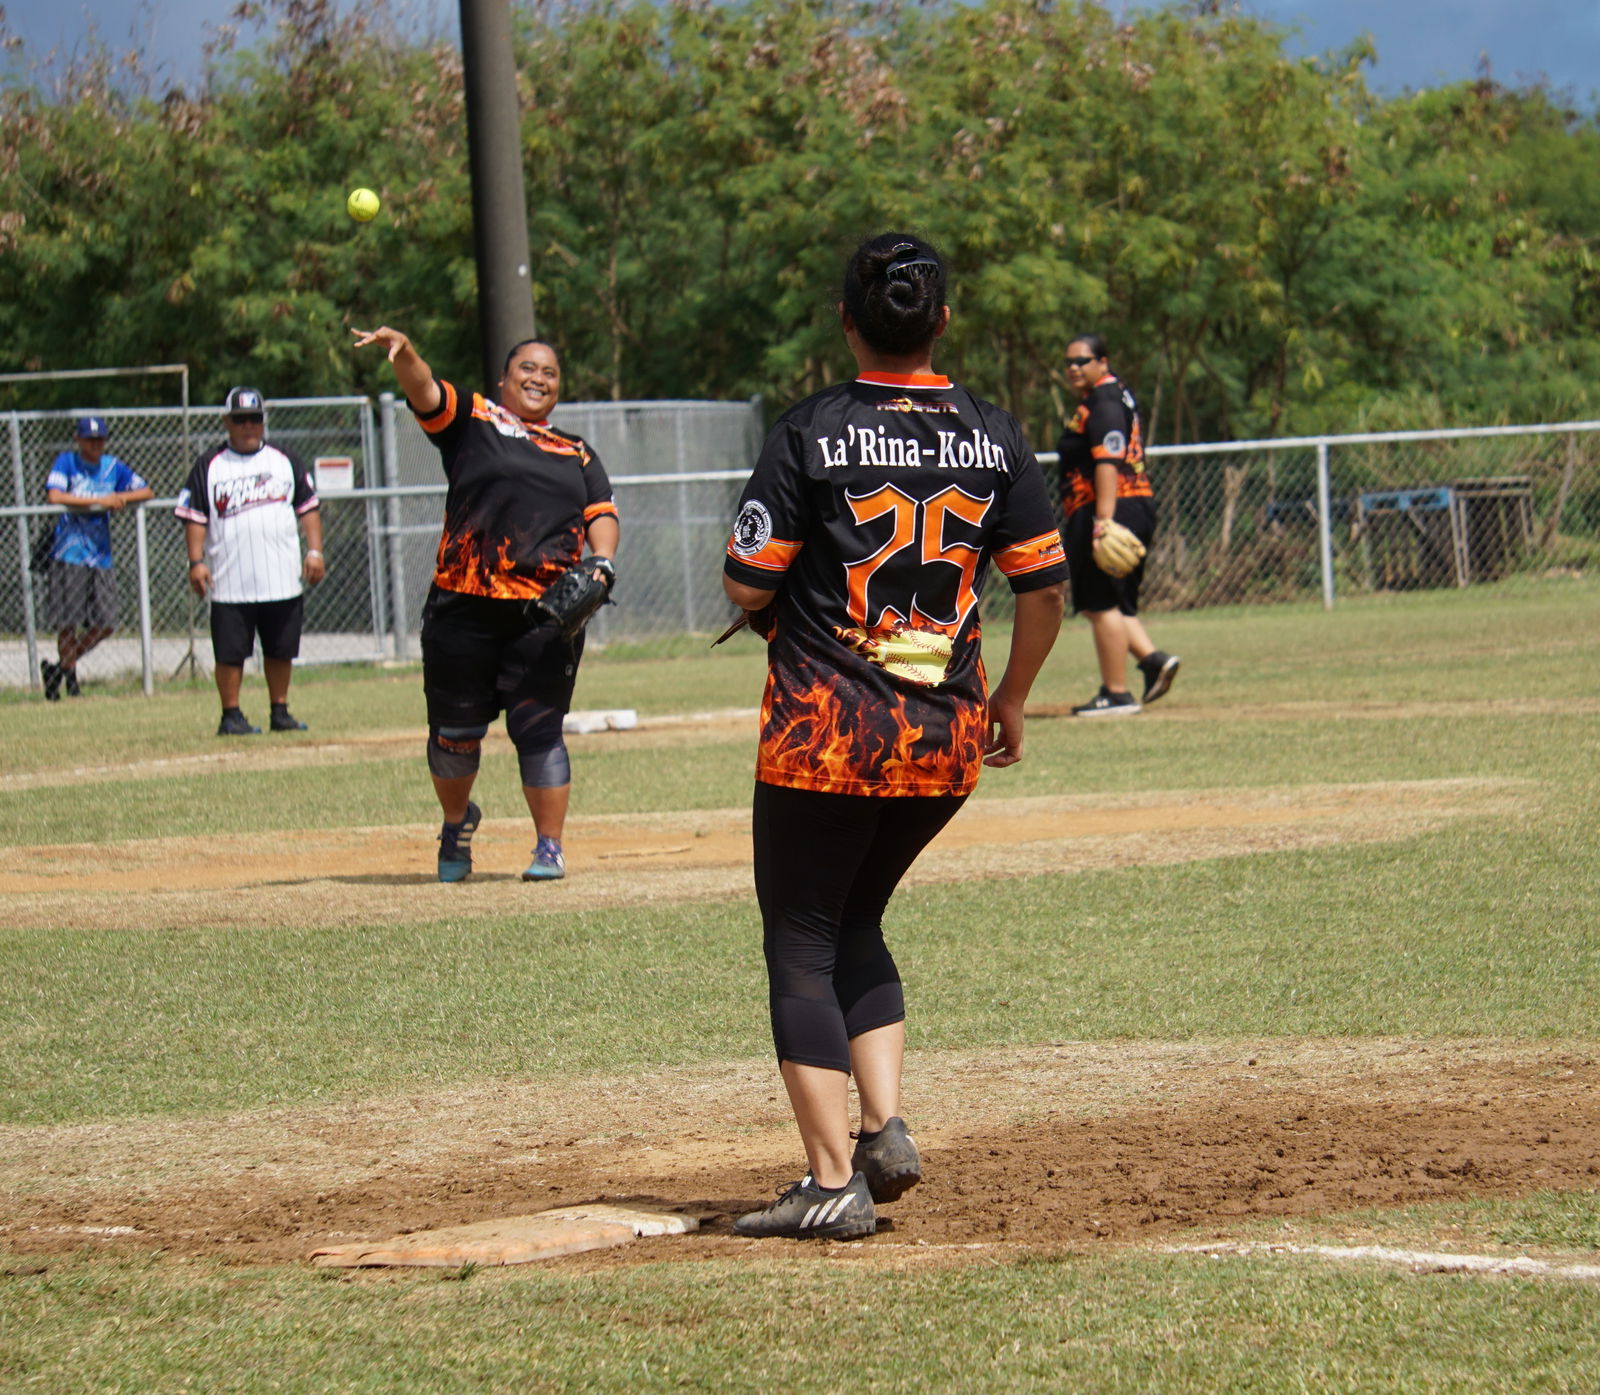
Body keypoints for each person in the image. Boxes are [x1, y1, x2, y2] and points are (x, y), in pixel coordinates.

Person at [721, 233, 1067, 1241]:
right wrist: (1009, 698)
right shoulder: (992, 434)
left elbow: (747, 581)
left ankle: (831, 1184)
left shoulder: (811, 430)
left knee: (800, 941)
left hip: (827, 736)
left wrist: (774, 589)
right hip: (943, 737)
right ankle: (882, 1128)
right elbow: (1042, 589)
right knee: (854, 920)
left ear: (846, 320)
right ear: (942, 323)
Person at [352, 326, 619, 884]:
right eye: (528, 368)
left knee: (540, 731)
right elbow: (425, 391)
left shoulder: (576, 451)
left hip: (546, 614)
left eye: (549, 372)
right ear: (504, 379)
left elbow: (601, 513)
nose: (538, 378)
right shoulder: (473, 420)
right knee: (456, 735)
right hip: (463, 606)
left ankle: (549, 848)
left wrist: (602, 562)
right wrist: (405, 355)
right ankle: (456, 822)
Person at [175, 387, 325, 735]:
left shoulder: (284, 458)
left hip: (281, 575)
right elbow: (194, 516)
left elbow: (308, 507)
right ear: (226, 421)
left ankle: (280, 710)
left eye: (254, 418)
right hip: (230, 579)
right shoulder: (209, 465)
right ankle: (231, 715)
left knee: (281, 648)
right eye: (240, 419)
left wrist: (314, 551)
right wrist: (195, 561)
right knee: (229, 652)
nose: (248, 426)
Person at [1055, 334, 1180, 715]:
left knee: (1099, 601)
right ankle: (1153, 661)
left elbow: (1108, 460)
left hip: (1109, 506)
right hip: (1124, 504)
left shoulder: (1104, 400)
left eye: (1083, 360)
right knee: (1114, 601)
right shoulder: (1114, 395)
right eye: (1069, 362)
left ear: (1103, 362)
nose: (1074, 367)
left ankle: (1117, 693)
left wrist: (1103, 521)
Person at [39, 416, 153, 700]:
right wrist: (100, 501)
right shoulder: (67, 462)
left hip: (100, 556)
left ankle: (59, 668)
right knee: (68, 621)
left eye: (100, 439)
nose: (96, 444)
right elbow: (55, 496)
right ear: (78, 440)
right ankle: (71, 682)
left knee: (106, 623)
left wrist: (122, 497)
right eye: (90, 439)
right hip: (70, 552)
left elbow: (147, 490)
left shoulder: (112, 466)